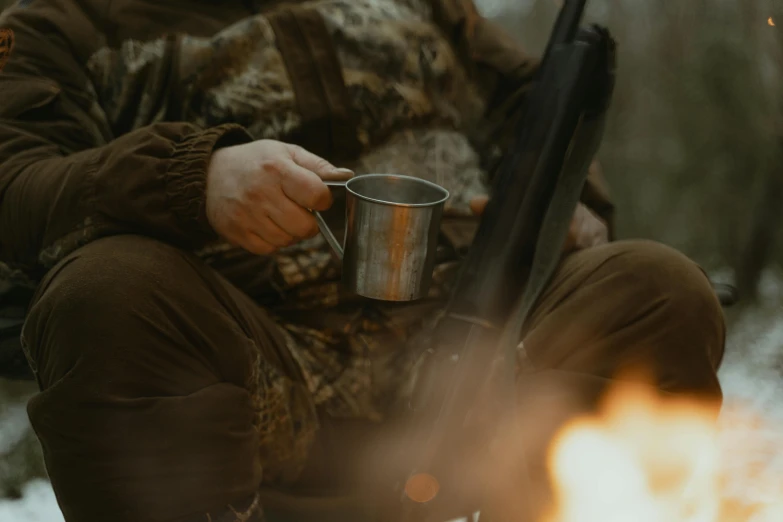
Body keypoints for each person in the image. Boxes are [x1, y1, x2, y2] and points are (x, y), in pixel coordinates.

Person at [0, 0, 725, 521]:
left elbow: (533, 100)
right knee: (106, 295)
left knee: (654, 290)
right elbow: (15, 184)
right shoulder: (59, 24)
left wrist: (575, 203)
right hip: (255, 379)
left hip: (478, 356)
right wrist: (193, 179)